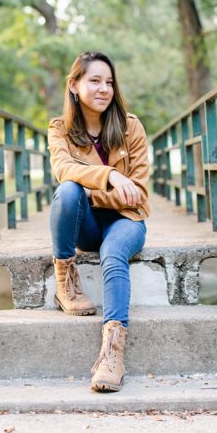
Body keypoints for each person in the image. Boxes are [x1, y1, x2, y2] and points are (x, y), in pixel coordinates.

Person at [48, 51, 150, 391]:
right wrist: (109, 177)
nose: (104, 88)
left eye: (109, 82)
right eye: (94, 80)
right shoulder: (60, 129)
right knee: (66, 192)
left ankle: (112, 354)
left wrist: (92, 189)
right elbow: (64, 171)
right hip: (87, 225)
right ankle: (65, 279)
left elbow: (138, 194)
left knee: (114, 252)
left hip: (127, 221)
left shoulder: (131, 126)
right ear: (74, 86)